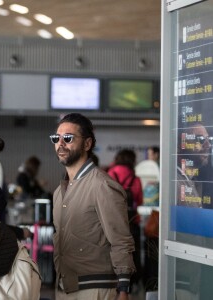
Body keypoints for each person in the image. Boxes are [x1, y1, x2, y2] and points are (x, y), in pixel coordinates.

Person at [50, 113, 136, 300]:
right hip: (66, 286)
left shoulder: (102, 186)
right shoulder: (59, 192)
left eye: (69, 138)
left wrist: (123, 289)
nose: (60, 143)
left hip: (95, 289)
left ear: (87, 144)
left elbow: (120, 240)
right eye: (56, 138)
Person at [107, 149, 143, 287]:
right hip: (131, 222)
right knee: (132, 253)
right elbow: (140, 201)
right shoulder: (136, 179)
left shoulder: (109, 175)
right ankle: (130, 284)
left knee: (113, 252)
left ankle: (114, 282)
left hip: (112, 222)